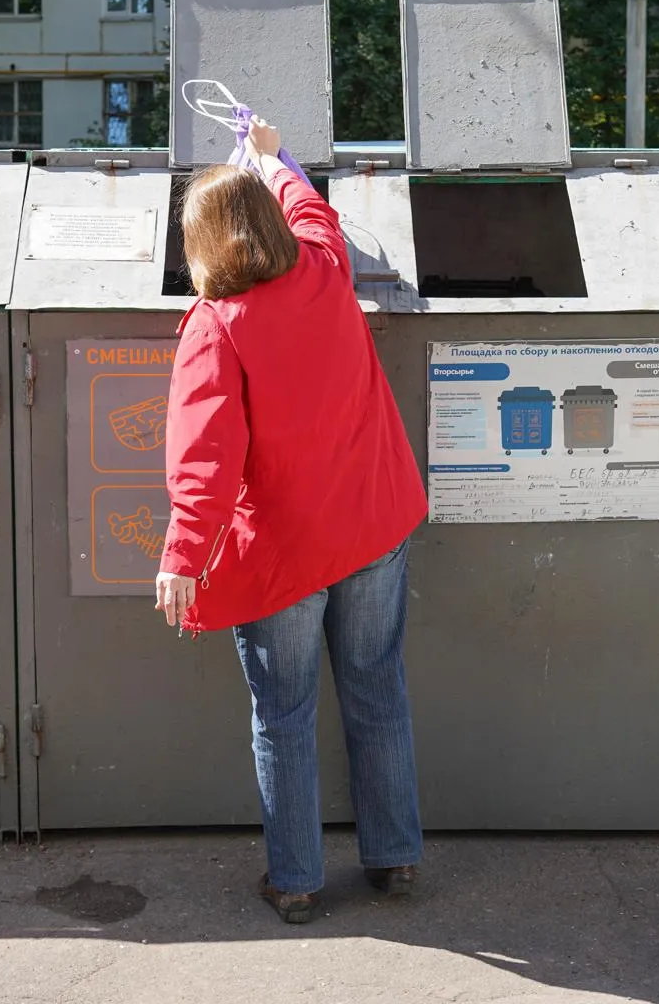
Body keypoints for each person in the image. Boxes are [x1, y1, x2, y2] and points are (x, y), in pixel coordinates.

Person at [155, 118, 428, 925]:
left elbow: (206, 460)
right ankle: (395, 860)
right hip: (372, 523)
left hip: (286, 550)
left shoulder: (215, 327)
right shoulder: (322, 268)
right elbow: (317, 214)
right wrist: (274, 161)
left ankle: (299, 879)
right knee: (377, 690)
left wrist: (181, 557)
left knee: (284, 714)